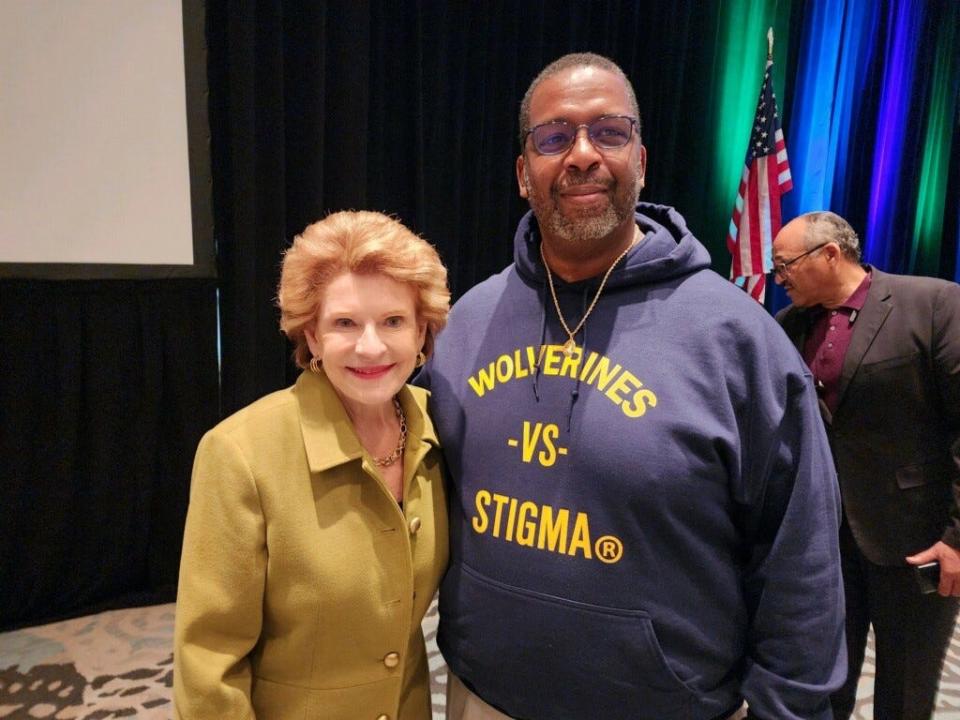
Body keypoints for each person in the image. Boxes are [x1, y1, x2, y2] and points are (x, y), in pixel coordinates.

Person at [417, 52, 845, 720]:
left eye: (608, 132)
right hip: (481, 696)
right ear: (522, 172)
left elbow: (801, 557)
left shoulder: (736, 338)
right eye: (554, 137)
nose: (583, 154)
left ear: (640, 161)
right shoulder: (467, 322)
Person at [173, 210, 450, 719]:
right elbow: (209, 660)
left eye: (393, 321)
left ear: (422, 333)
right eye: (345, 323)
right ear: (314, 337)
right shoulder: (240, 452)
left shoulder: (442, 430)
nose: (371, 346)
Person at [774, 211, 960, 720]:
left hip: (915, 541)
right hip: (823, 548)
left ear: (830, 254)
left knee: (903, 693)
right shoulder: (786, 327)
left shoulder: (934, 303)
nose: (778, 276)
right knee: (824, 682)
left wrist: (957, 538)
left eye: (785, 264)